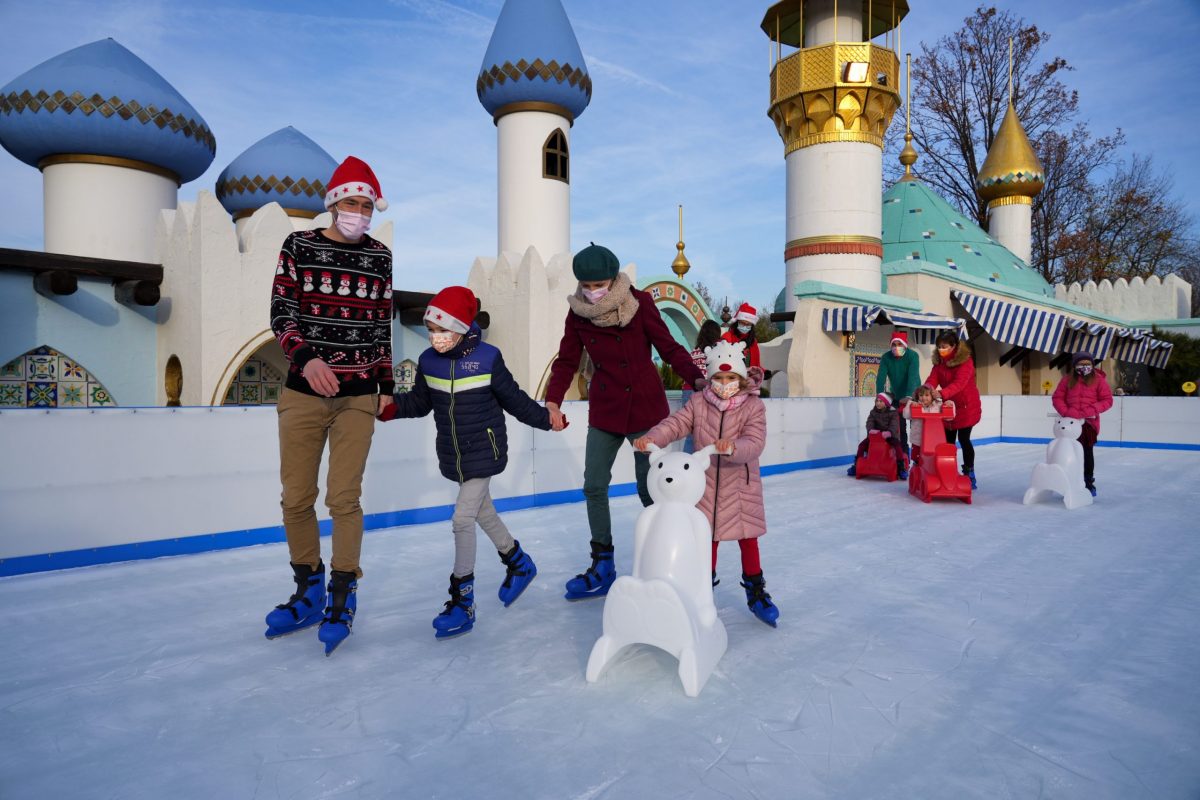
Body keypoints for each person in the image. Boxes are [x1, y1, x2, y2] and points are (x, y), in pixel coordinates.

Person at [264, 156, 395, 654]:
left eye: (367, 205)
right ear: (334, 204)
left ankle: (343, 592)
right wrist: (306, 357)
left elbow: (381, 325)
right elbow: (282, 312)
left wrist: (386, 386)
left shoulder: (380, 257)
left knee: (344, 498)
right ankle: (309, 587)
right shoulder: (299, 245)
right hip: (303, 393)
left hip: (358, 396)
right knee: (296, 497)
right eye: (352, 203)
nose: (359, 213)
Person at [378, 286, 563, 638]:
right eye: (430, 330)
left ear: (461, 327)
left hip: (484, 450)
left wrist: (547, 419)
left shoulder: (488, 358)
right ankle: (519, 563)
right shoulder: (428, 361)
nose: (435, 337)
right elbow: (419, 403)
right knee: (483, 512)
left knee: (462, 518)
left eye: (442, 329)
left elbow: (515, 400)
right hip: (455, 453)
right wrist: (390, 409)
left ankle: (463, 601)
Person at [545, 243, 706, 600]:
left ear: (613, 279)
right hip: (606, 409)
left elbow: (669, 348)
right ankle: (602, 563)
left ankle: (669, 556)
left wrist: (696, 378)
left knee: (650, 488)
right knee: (594, 485)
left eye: (599, 284)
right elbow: (567, 360)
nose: (592, 292)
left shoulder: (640, 303)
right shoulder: (578, 313)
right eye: (587, 286)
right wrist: (553, 400)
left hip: (645, 409)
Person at [634, 340, 778, 627]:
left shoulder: (753, 406)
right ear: (711, 378)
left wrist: (733, 447)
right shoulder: (699, 403)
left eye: (730, 377)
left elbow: (755, 442)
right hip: (706, 485)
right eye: (719, 378)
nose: (724, 384)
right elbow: (676, 424)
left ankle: (756, 591)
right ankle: (702, 589)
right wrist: (653, 437)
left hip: (740, 486)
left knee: (748, 539)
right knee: (705, 540)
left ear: (740, 378)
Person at [924, 331, 982, 489]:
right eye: (939, 346)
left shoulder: (965, 362)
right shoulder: (939, 363)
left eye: (944, 346)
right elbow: (933, 379)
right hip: (948, 407)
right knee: (948, 442)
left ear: (954, 346)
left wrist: (942, 393)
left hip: (966, 407)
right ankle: (948, 470)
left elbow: (959, 383)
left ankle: (969, 471)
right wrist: (925, 390)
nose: (941, 349)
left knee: (964, 439)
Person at [1052, 350, 1114, 497]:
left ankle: (1088, 482)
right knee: (1068, 452)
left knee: (1086, 452)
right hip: (1070, 424)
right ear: (1074, 366)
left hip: (1088, 424)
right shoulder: (1067, 380)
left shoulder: (1099, 380)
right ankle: (1068, 481)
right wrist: (1067, 411)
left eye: (1087, 364)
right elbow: (1057, 398)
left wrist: (1090, 410)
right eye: (1080, 364)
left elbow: (1107, 400)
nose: (1084, 366)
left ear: (1092, 365)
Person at [876, 330, 921, 455]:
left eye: (899, 344)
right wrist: (880, 398)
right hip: (897, 397)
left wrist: (909, 396)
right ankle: (903, 455)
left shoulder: (913, 356)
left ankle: (918, 455)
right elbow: (880, 378)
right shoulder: (886, 357)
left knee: (916, 428)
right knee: (899, 429)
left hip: (914, 397)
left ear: (905, 345)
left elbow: (913, 377)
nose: (896, 347)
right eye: (894, 344)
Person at [681, 320, 723, 452]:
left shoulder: (694, 352)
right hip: (706, 391)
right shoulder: (716, 352)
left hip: (688, 390)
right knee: (708, 432)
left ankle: (687, 461)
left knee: (690, 433)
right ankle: (705, 461)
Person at [846, 392, 907, 479]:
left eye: (881, 401)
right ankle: (856, 465)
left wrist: (889, 432)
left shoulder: (893, 413)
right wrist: (871, 430)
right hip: (876, 436)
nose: (878, 403)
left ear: (886, 403)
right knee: (862, 445)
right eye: (877, 401)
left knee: (897, 446)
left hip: (889, 436)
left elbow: (894, 425)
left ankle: (901, 467)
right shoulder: (873, 412)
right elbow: (869, 422)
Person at [902, 384, 952, 465]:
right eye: (921, 395)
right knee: (916, 455)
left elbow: (949, 417)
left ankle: (932, 466)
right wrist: (910, 404)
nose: (924, 398)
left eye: (927, 395)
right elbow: (906, 415)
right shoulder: (916, 405)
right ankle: (916, 465)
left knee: (933, 455)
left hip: (934, 439)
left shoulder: (938, 405)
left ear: (932, 396)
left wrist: (949, 404)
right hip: (918, 439)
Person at [722, 303, 761, 369]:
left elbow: (757, 364)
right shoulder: (727, 336)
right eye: (742, 323)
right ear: (737, 322)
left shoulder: (753, 341)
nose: (745, 326)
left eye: (748, 324)